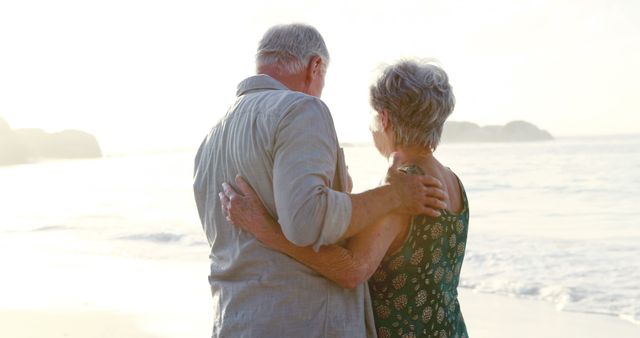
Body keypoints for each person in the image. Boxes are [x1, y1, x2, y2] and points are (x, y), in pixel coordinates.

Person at [193, 24, 447, 338]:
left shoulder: (212, 138)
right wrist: (392, 196)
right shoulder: (301, 108)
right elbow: (308, 221)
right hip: (303, 322)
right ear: (316, 66)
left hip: (234, 319)